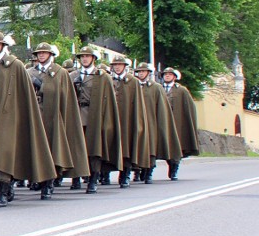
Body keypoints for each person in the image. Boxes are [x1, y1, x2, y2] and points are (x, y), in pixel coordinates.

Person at [0, 31, 56, 207]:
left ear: (3, 46)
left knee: (3, 153)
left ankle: (5, 187)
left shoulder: (15, 65)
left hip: (6, 114)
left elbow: (24, 93)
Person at [27, 42, 89, 199]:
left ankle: (48, 183)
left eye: (44, 53)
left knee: (51, 149)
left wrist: (42, 87)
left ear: (50, 55)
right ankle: (36, 179)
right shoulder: (29, 72)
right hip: (34, 115)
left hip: (51, 116)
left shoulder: (59, 73)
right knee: (35, 149)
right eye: (38, 53)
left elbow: (63, 97)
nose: (41, 55)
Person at [69, 46, 122, 193]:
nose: (84, 59)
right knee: (77, 148)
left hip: (94, 116)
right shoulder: (73, 75)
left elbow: (108, 100)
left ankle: (93, 179)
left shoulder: (102, 76)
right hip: (78, 115)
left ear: (93, 58)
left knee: (94, 148)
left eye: (87, 56)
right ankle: (76, 178)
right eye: (82, 56)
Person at [134, 62, 182, 183]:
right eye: (139, 71)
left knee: (151, 148)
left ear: (148, 73)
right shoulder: (134, 85)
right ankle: (138, 171)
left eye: (143, 71)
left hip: (151, 122)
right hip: (136, 121)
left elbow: (162, 108)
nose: (141, 73)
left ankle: (149, 171)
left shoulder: (156, 88)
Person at [108, 55, 151, 188]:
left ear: (125, 66)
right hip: (112, 118)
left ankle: (125, 174)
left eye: (119, 64)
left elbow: (137, 104)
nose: (117, 67)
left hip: (127, 119)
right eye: (115, 65)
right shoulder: (109, 80)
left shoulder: (133, 82)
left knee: (126, 147)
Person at [162, 67, 200, 180]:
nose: (167, 76)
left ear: (174, 77)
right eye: (165, 74)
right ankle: (170, 163)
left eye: (170, 74)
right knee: (165, 146)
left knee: (176, 147)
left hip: (176, 123)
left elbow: (189, 107)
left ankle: (174, 168)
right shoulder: (159, 88)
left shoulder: (181, 90)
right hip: (163, 123)